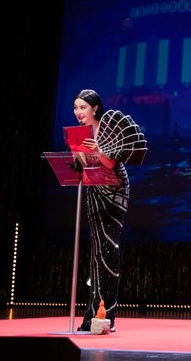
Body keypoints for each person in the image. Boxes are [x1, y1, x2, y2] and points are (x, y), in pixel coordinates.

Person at [72, 89, 146, 333]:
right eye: (76, 107)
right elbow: (84, 165)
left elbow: (109, 162)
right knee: (96, 252)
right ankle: (92, 315)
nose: (78, 112)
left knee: (108, 249)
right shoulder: (79, 133)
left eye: (83, 107)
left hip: (115, 188)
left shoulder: (107, 128)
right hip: (95, 187)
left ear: (94, 108)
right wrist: (77, 156)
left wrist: (96, 150)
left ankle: (107, 315)